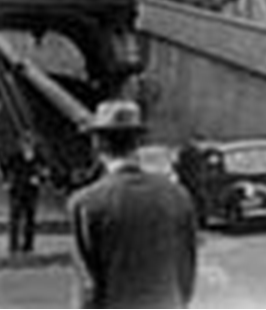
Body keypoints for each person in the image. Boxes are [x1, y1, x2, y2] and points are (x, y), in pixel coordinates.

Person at [68, 100, 198, 309]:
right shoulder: (178, 196)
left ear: (98, 144)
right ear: (138, 142)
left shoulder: (85, 204)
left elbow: (88, 288)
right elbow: (187, 275)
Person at [4, 131, 46, 255]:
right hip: (17, 189)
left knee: (30, 218)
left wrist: (39, 179)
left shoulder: (39, 157)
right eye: (24, 143)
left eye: (29, 143)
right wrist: (7, 181)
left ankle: (28, 245)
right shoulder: (15, 157)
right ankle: (13, 245)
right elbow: (7, 169)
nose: (27, 146)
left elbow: (45, 171)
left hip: (31, 191)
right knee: (15, 218)